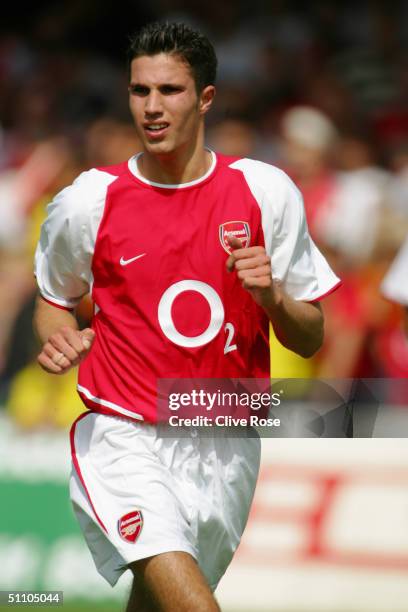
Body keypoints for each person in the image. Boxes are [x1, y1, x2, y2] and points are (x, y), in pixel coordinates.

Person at [33, 22, 340, 612]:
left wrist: (273, 298)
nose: (151, 107)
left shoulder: (265, 191)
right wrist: (60, 340)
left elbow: (311, 334)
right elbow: (54, 298)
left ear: (205, 98)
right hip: (125, 433)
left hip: (227, 439)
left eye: (169, 91)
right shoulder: (89, 200)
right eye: (139, 90)